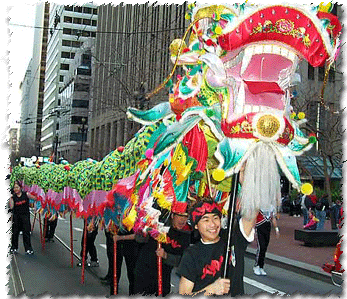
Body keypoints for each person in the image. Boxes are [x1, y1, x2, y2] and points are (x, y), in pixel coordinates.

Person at [177, 199, 255, 296]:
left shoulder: (233, 239)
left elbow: (252, 210)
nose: (213, 224)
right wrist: (211, 289)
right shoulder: (192, 254)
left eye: (215, 218)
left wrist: (246, 184)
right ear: (196, 225)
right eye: (206, 219)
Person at [134, 212, 191, 296]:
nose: (182, 220)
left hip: (163, 278)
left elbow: (181, 261)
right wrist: (143, 229)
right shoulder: (158, 223)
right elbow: (138, 239)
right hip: (144, 272)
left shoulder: (186, 234)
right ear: (172, 215)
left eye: (185, 217)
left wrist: (166, 256)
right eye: (180, 216)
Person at [101, 229, 138, 295]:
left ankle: (133, 294)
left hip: (131, 245)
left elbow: (139, 235)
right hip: (117, 242)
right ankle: (113, 293)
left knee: (132, 274)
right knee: (115, 269)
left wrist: (121, 238)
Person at [9, 181, 36, 255]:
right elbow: (11, 207)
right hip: (16, 217)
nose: (16, 189)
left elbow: (35, 198)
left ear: (20, 188)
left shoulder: (26, 194)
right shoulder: (13, 197)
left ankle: (28, 248)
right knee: (15, 232)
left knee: (26, 232)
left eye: (17, 187)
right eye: (14, 188)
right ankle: (14, 247)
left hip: (25, 217)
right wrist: (10, 199)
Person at [253, 208, 280, 276]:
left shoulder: (271, 206)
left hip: (267, 227)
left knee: (265, 247)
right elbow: (254, 216)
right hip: (259, 226)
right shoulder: (260, 205)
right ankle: (256, 266)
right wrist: (252, 229)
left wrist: (276, 229)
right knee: (261, 246)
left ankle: (261, 266)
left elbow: (273, 218)